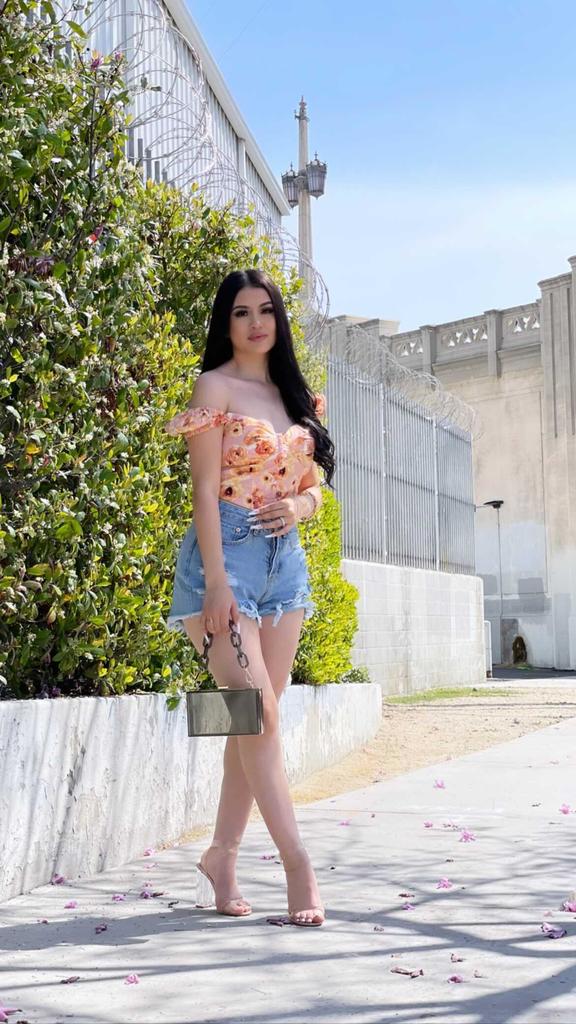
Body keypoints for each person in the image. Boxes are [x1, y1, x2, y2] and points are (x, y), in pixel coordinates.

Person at [164, 268, 335, 927]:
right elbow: (204, 491)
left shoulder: (296, 398)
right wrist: (215, 581)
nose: (256, 322)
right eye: (241, 312)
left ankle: (222, 856)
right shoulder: (216, 387)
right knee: (259, 715)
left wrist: (302, 502)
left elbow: (316, 489)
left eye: (265, 310)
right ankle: (297, 863)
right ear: (225, 322)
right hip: (226, 558)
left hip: (285, 568)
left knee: (249, 721)